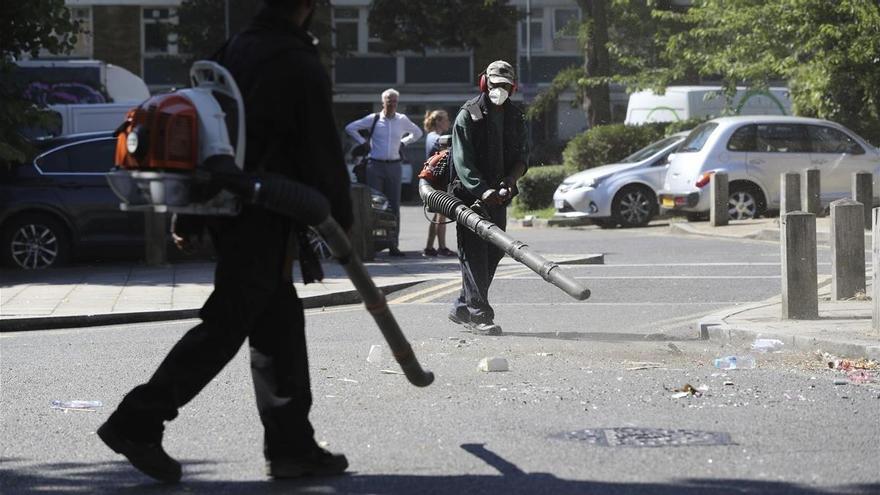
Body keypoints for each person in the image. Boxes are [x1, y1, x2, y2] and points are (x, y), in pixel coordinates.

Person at [97, 0, 353, 483]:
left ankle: (292, 446)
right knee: (227, 324)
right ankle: (138, 420)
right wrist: (342, 222)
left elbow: (208, 134)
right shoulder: (297, 62)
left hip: (231, 207)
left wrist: (189, 214)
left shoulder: (235, 48)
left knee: (277, 322)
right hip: (265, 212)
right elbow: (322, 151)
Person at [448, 60, 529, 336]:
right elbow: (463, 161)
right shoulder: (468, 115)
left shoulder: (515, 117)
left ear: (512, 88)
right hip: (470, 198)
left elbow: (521, 158)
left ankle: (462, 305)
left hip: (499, 198)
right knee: (474, 256)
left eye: (506, 86)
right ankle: (479, 316)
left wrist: (509, 181)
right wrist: (482, 190)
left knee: (494, 253)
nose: (500, 90)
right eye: (496, 85)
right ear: (485, 83)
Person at [345, 89, 423, 257]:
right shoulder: (374, 119)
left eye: (394, 101)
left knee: (394, 206)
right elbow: (350, 128)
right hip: (375, 165)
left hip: (394, 166)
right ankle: (371, 244)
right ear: (383, 102)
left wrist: (404, 142)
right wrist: (363, 142)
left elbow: (417, 133)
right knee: (375, 205)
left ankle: (393, 245)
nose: (392, 103)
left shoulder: (402, 120)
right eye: (389, 100)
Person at [421, 110, 456, 258]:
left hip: (432, 179)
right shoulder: (440, 139)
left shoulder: (430, 136)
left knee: (437, 216)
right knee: (441, 216)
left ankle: (429, 247)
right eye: (446, 119)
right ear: (439, 122)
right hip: (439, 179)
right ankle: (442, 247)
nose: (448, 122)